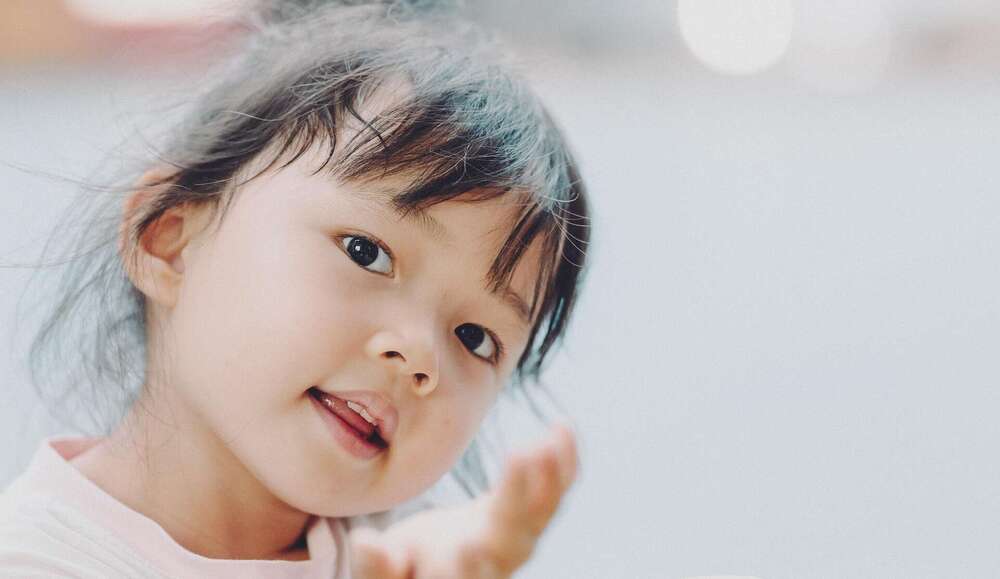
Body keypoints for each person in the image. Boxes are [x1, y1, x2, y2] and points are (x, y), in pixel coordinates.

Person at [0, 0, 591, 577]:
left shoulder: (401, 556)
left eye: (475, 337)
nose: (421, 356)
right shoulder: (37, 558)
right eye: (365, 252)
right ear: (171, 243)